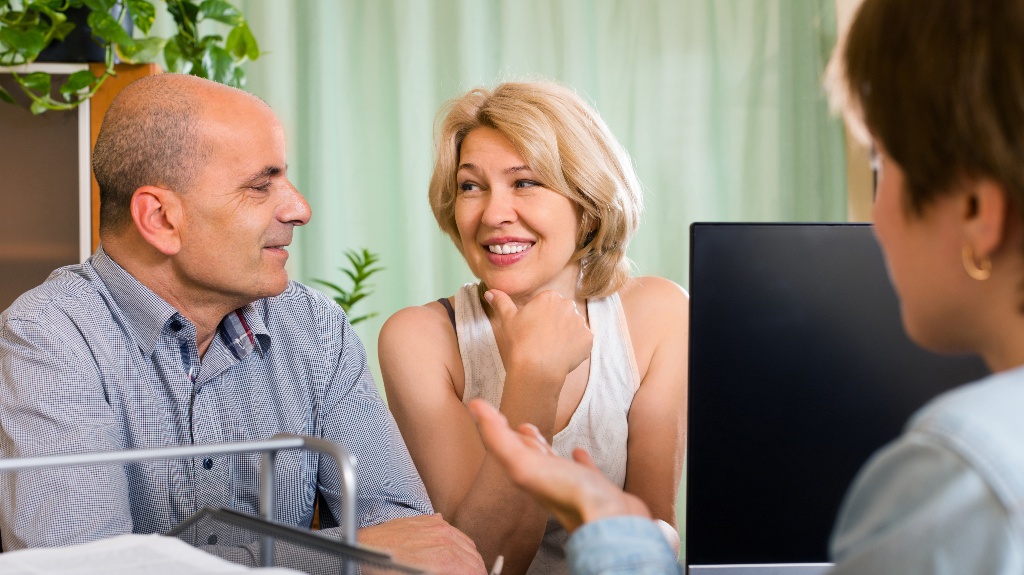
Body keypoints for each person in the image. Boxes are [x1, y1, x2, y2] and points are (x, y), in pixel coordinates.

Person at [468, 1, 1024, 574]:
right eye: (470, 186)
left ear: (977, 212)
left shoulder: (963, 472)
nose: (876, 221)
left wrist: (611, 531)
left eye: (885, 164)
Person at [0, 74, 484, 574]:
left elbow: (408, 538)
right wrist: (344, 554)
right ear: (160, 219)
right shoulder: (48, 338)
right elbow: (82, 569)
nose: (300, 209)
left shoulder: (315, 326)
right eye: (260, 186)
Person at [378, 81, 688, 574]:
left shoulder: (660, 314)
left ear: (587, 203)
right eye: (471, 186)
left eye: (525, 182)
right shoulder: (419, 339)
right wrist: (534, 375)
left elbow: (653, 534)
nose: (493, 214)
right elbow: (481, 561)